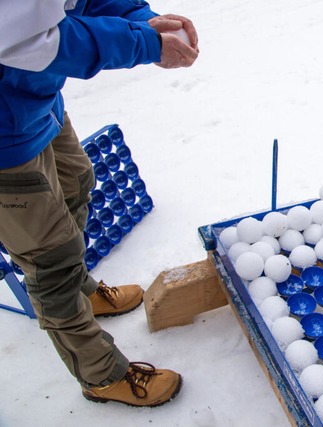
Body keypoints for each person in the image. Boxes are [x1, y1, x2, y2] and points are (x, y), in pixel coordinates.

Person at [0, 0, 199, 406]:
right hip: (3, 138)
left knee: (76, 183)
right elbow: (33, 38)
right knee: (50, 261)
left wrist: (143, 21)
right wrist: (146, 43)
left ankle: (81, 289)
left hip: (34, 100)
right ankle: (100, 376)